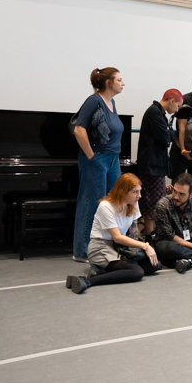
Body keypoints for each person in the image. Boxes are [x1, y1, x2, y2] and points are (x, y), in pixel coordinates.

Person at [66, 174, 162, 294]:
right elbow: (117, 237)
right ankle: (88, 280)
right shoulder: (106, 206)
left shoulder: (133, 203)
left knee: (155, 265)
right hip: (101, 247)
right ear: (122, 192)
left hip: (119, 246)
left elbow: (133, 232)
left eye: (139, 191)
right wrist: (146, 246)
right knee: (137, 272)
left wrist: (137, 251)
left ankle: (103, 271)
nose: (139, 196)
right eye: (135, 192)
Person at [72, 67, 126, 263]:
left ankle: (104, 245)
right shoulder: (94, 100)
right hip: (97, 158)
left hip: (112, 159)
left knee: (111, 203)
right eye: (119, 80)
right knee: (91, 203)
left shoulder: (112, 102)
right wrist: (92, 157)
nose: (123, 83)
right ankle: (82, 251)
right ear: (108, 83)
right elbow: (79, 129)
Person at [135, 89, 183, 236]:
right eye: (178, 106)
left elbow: (167, 135)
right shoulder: (154, 112)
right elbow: (164, 137)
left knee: (156, 200)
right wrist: (170, 132)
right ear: (172, 101)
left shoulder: (159, 113)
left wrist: (169, 131)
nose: (177, 110)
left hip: (155, 166)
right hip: (151, 167)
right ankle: (151, 236)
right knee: (153, 202)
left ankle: (151, 233)